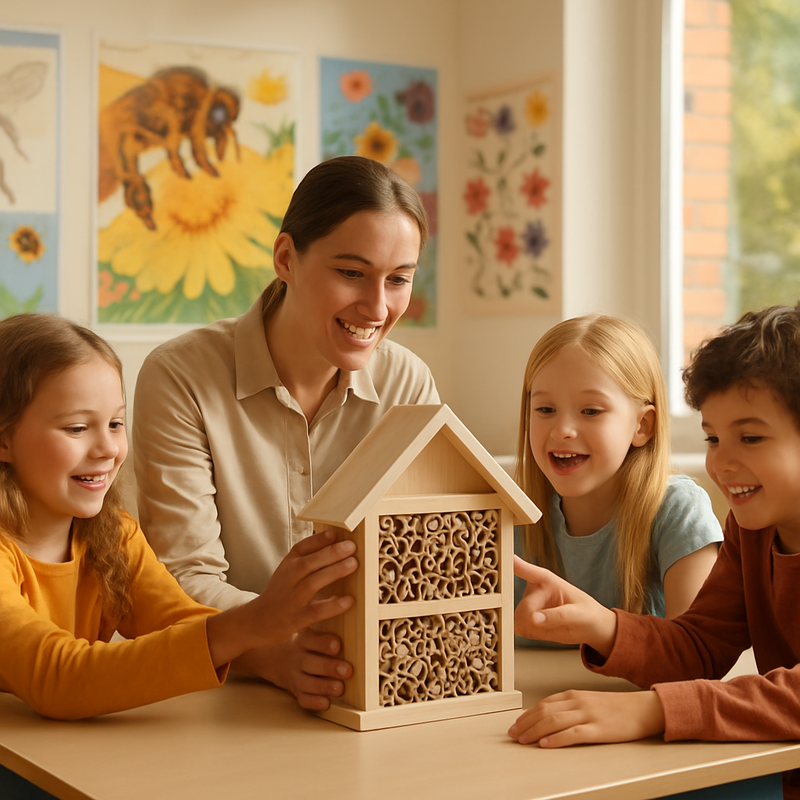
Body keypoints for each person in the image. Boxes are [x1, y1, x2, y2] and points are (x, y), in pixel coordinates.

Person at [133, 155, 439, 711]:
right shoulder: (180, 376)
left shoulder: (409, 383)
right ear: (286, 259)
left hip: (369, 683)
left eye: (398, 280)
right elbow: (181, 577)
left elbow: (417, 566)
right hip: (222, 698)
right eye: (351, 272)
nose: (377, 306)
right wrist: (274, 653)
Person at [0, 313, 358, 720]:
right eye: (78, 428)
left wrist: (282, 656)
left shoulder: (113, 536)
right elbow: (59, 677)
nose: (108, 449)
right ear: (4, 439)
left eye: (115, 423)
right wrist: (253, 622)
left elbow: (182, 624)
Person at [509, 304, 800, 800]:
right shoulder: (751, 531)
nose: (721, 462)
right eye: (713, 436)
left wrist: (654, 709)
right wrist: (600, 623)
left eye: (750, 437)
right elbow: (699, 647)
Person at [514, 314, 721, 628]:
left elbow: (699, 651)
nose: (563, 430)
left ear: (642, 425)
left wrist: (602, 628)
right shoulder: (507, 514)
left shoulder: (678, 510)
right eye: (545, 409)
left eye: (591, 411)